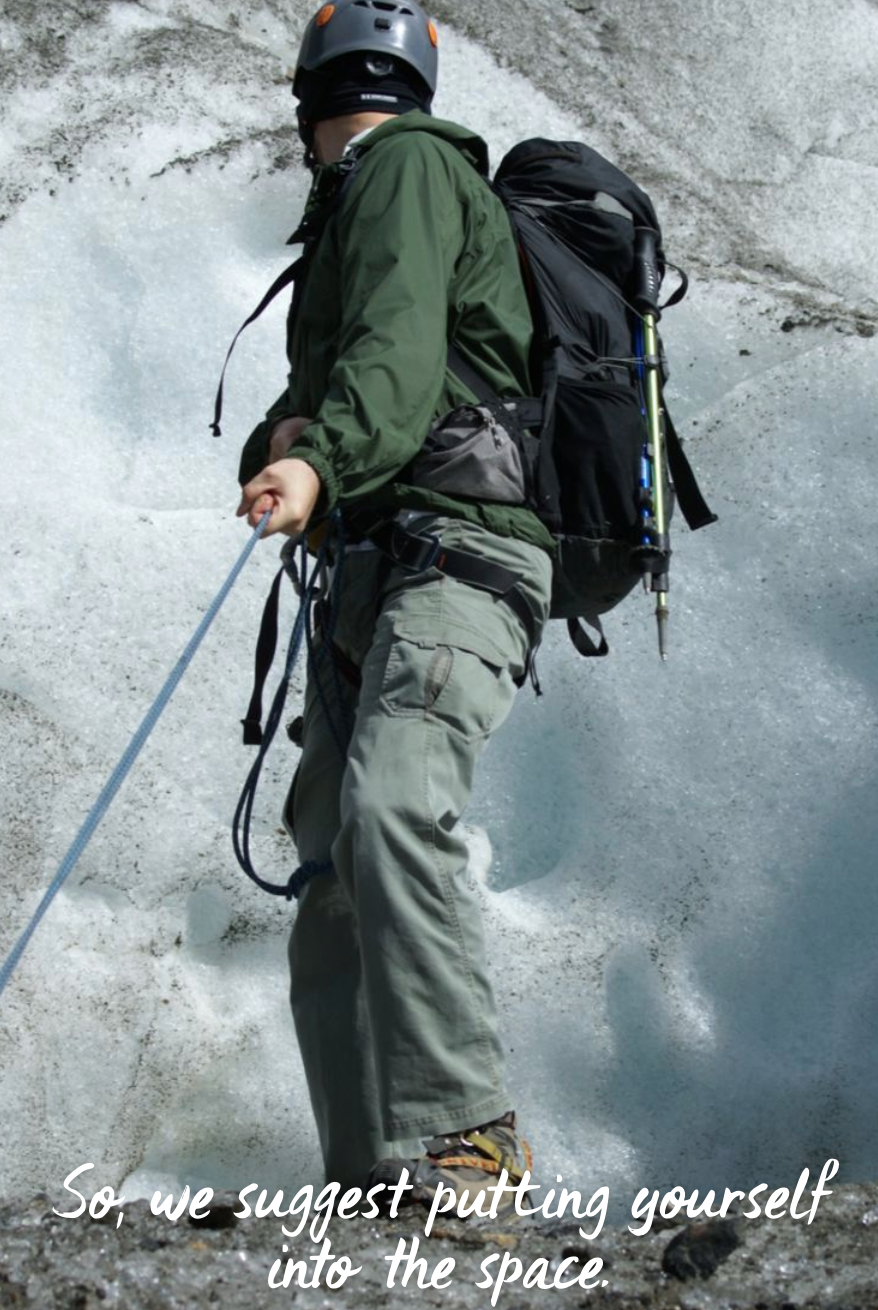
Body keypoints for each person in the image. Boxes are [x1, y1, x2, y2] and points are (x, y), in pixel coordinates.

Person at [236, 0, 554, 1211]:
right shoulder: (358, 203)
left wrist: (319, 455)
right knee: (331, 857)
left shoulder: (406, 173)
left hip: (457, 556)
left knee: (387, 809)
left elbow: (395, 356)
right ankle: (372, 1175)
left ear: (309, 93)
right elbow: (334, 392)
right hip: (380, 566)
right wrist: (290, 447)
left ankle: (465, 1140)